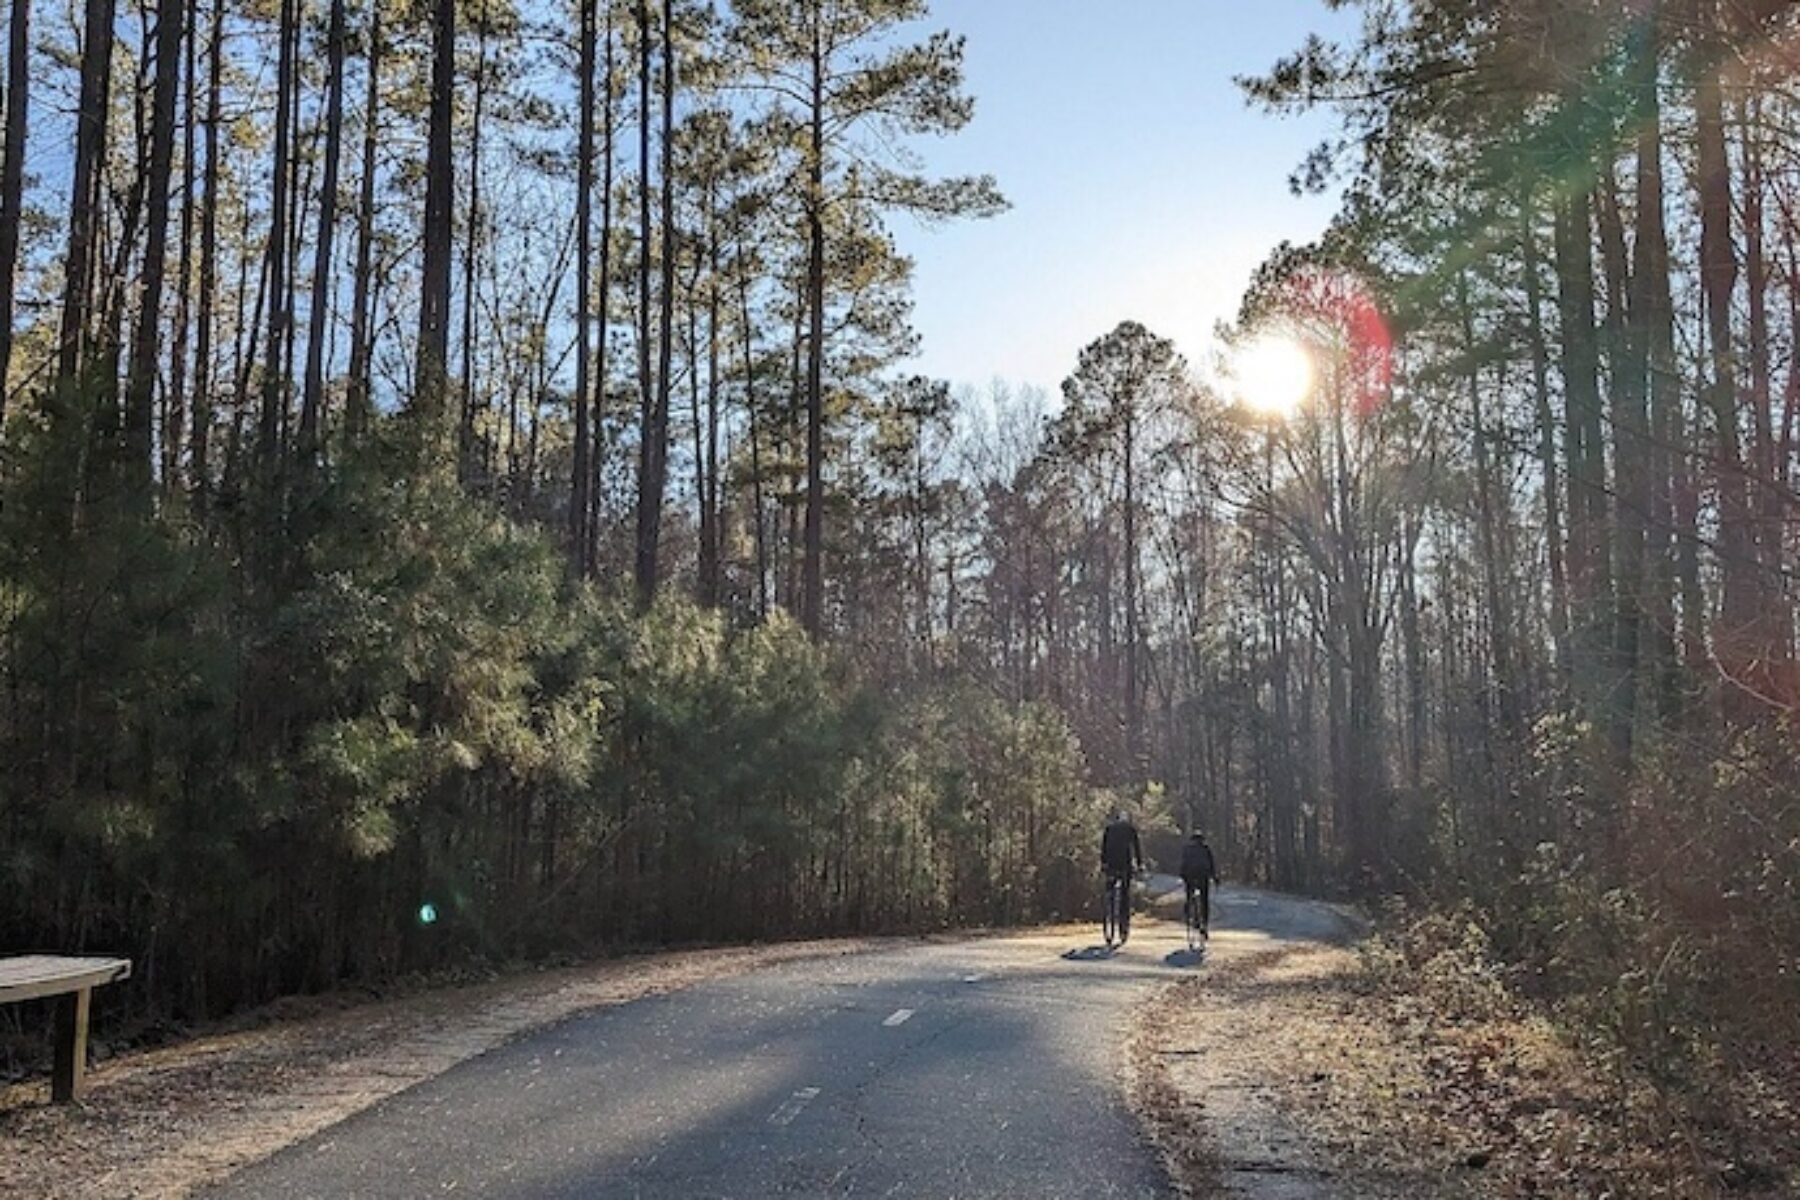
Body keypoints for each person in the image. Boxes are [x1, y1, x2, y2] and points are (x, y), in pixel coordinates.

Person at [1099, 810, 1144, 943]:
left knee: (1110, 887)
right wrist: (1140, 864)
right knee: (1125, 895)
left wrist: (1103, 863)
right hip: (1125, 864)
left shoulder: (1109, 829)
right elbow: (1136, 848)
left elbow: (1103, 847)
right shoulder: (1130, 829)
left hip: (1111, 864)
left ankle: (1108, 910)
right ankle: (1123, 928)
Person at [1180, 831, 1220, 938]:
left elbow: (1183, 864)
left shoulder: (1187, 849)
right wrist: (1215, 878)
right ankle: (1205, 925)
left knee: (1189, 894)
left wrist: (1183, 876)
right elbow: (1211, 864)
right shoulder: (1206, 849)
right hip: (1203, 875)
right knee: (1204, 900)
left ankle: (1188, 910)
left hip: (1190, 875)